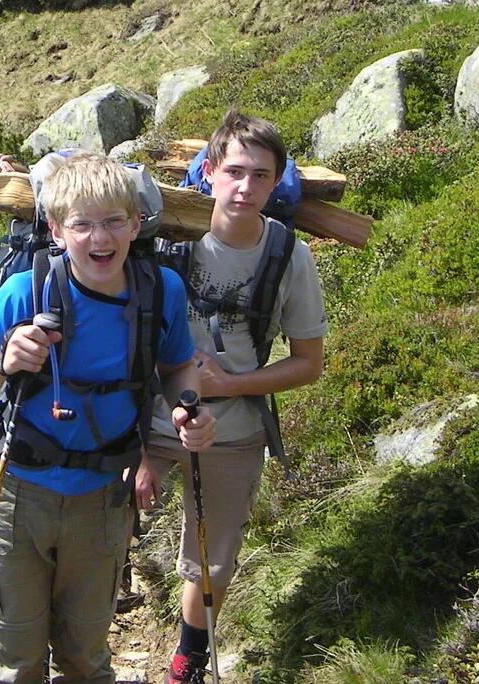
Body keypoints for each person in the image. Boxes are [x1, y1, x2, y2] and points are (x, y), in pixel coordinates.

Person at [0, 152, 216, 684]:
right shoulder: (24, 293)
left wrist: (190, 411)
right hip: (17, 495)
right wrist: (4, 363)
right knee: (16, 666)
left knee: (85, 662)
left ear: (136, 223)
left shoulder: (160, 291)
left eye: (115, 221)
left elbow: (178, 366)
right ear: (56, 228)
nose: (101, 238)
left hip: (102, 499)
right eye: (83, 224)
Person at [136, 109, 328, 684]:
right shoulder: (167, 239)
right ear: (211, 171)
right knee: (100, 527)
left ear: (276, 182)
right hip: (147, 417)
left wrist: (228, 385)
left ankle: (186, 661)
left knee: (212, 563)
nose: (246, 187)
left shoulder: (289, 256)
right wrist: (140, 449)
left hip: (236, 427)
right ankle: (83, 653)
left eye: (261, 176)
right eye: (236, 171)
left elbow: (308, 364)